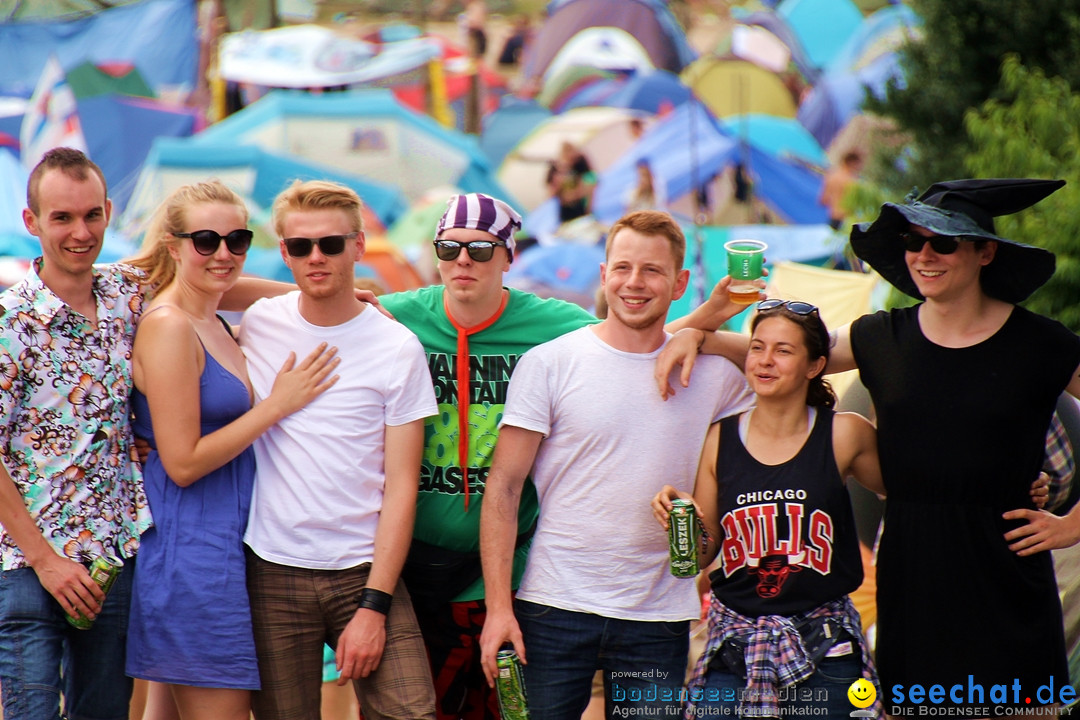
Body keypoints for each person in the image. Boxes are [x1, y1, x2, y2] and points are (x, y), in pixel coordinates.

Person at [657, 179, 1080, 713]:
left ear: (985, 252)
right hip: (912, 575)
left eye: (944, 243)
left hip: (1008, 581)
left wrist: (1072, 525)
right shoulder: (880, 336)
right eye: (913, 241)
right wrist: (701, 328)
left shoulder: (1039, 342)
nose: (925, 255)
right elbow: (783, 353)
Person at [0, 148, 295, 720]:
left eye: (91, 215)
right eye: (61, 218)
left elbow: (215, 279)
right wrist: (45, 560)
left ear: (109, 212)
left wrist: (319, 297)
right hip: (31, 564)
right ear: (31, 222)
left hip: (117, 556)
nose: (79, 232)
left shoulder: (122, 292)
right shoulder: (9, 324)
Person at [478, 210, 754, 719]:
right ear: (603, 275)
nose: (634, 282)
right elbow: (504, 489)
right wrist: (498, 610)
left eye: (652, 270)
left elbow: (796, 363)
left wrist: (705, 333)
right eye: (622, 267)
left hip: (658, 615)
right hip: (552, 605)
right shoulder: (550, 363)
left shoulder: (715, 377)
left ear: (680, 283)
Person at [122, 180, 339, 720]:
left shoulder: (210, 315)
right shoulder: (171, 325)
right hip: (191, 551)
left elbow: (233, 286)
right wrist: (277, 405)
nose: (224, 253)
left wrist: (327, 294)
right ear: (174, 247)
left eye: (237, 239)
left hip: (222, 545)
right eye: (205, 240)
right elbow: (183, 461)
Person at [378, 193, 598, 720]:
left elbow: (634, 344)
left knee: (502, 709)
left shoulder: (553, 324)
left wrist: (708, 325)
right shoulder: (400, 315)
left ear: (509, 257)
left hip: (500, 570)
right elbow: (313, 305)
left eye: (480, 249)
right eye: (449, 248)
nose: (463, 261)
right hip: (408, 564)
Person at [239, 180, 438, 720]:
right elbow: (185, 286)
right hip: (272, 566)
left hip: (365, 569)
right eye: (300, 247)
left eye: (331, 244)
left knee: (412, 713)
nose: (316, 257)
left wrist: (375, 605)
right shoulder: (259, 322)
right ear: (283, 252)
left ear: (358, 244)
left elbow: (402, 486)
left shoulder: (397, 347)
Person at [651, 299, 884, 718]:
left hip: (827, 645)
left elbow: (915, 489)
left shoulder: (844, 433)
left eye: (783, 350)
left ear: (815, 366)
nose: (764, 361)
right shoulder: (719, 439)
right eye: (757, 347)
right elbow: (701, 557)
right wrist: (680, 523)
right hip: (735, 646)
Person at [818, 151, 863, 230]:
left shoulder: (832, 176)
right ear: (851, 162)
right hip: (847, 219)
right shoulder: (852, 180)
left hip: (833, 216)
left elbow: (823, 200)